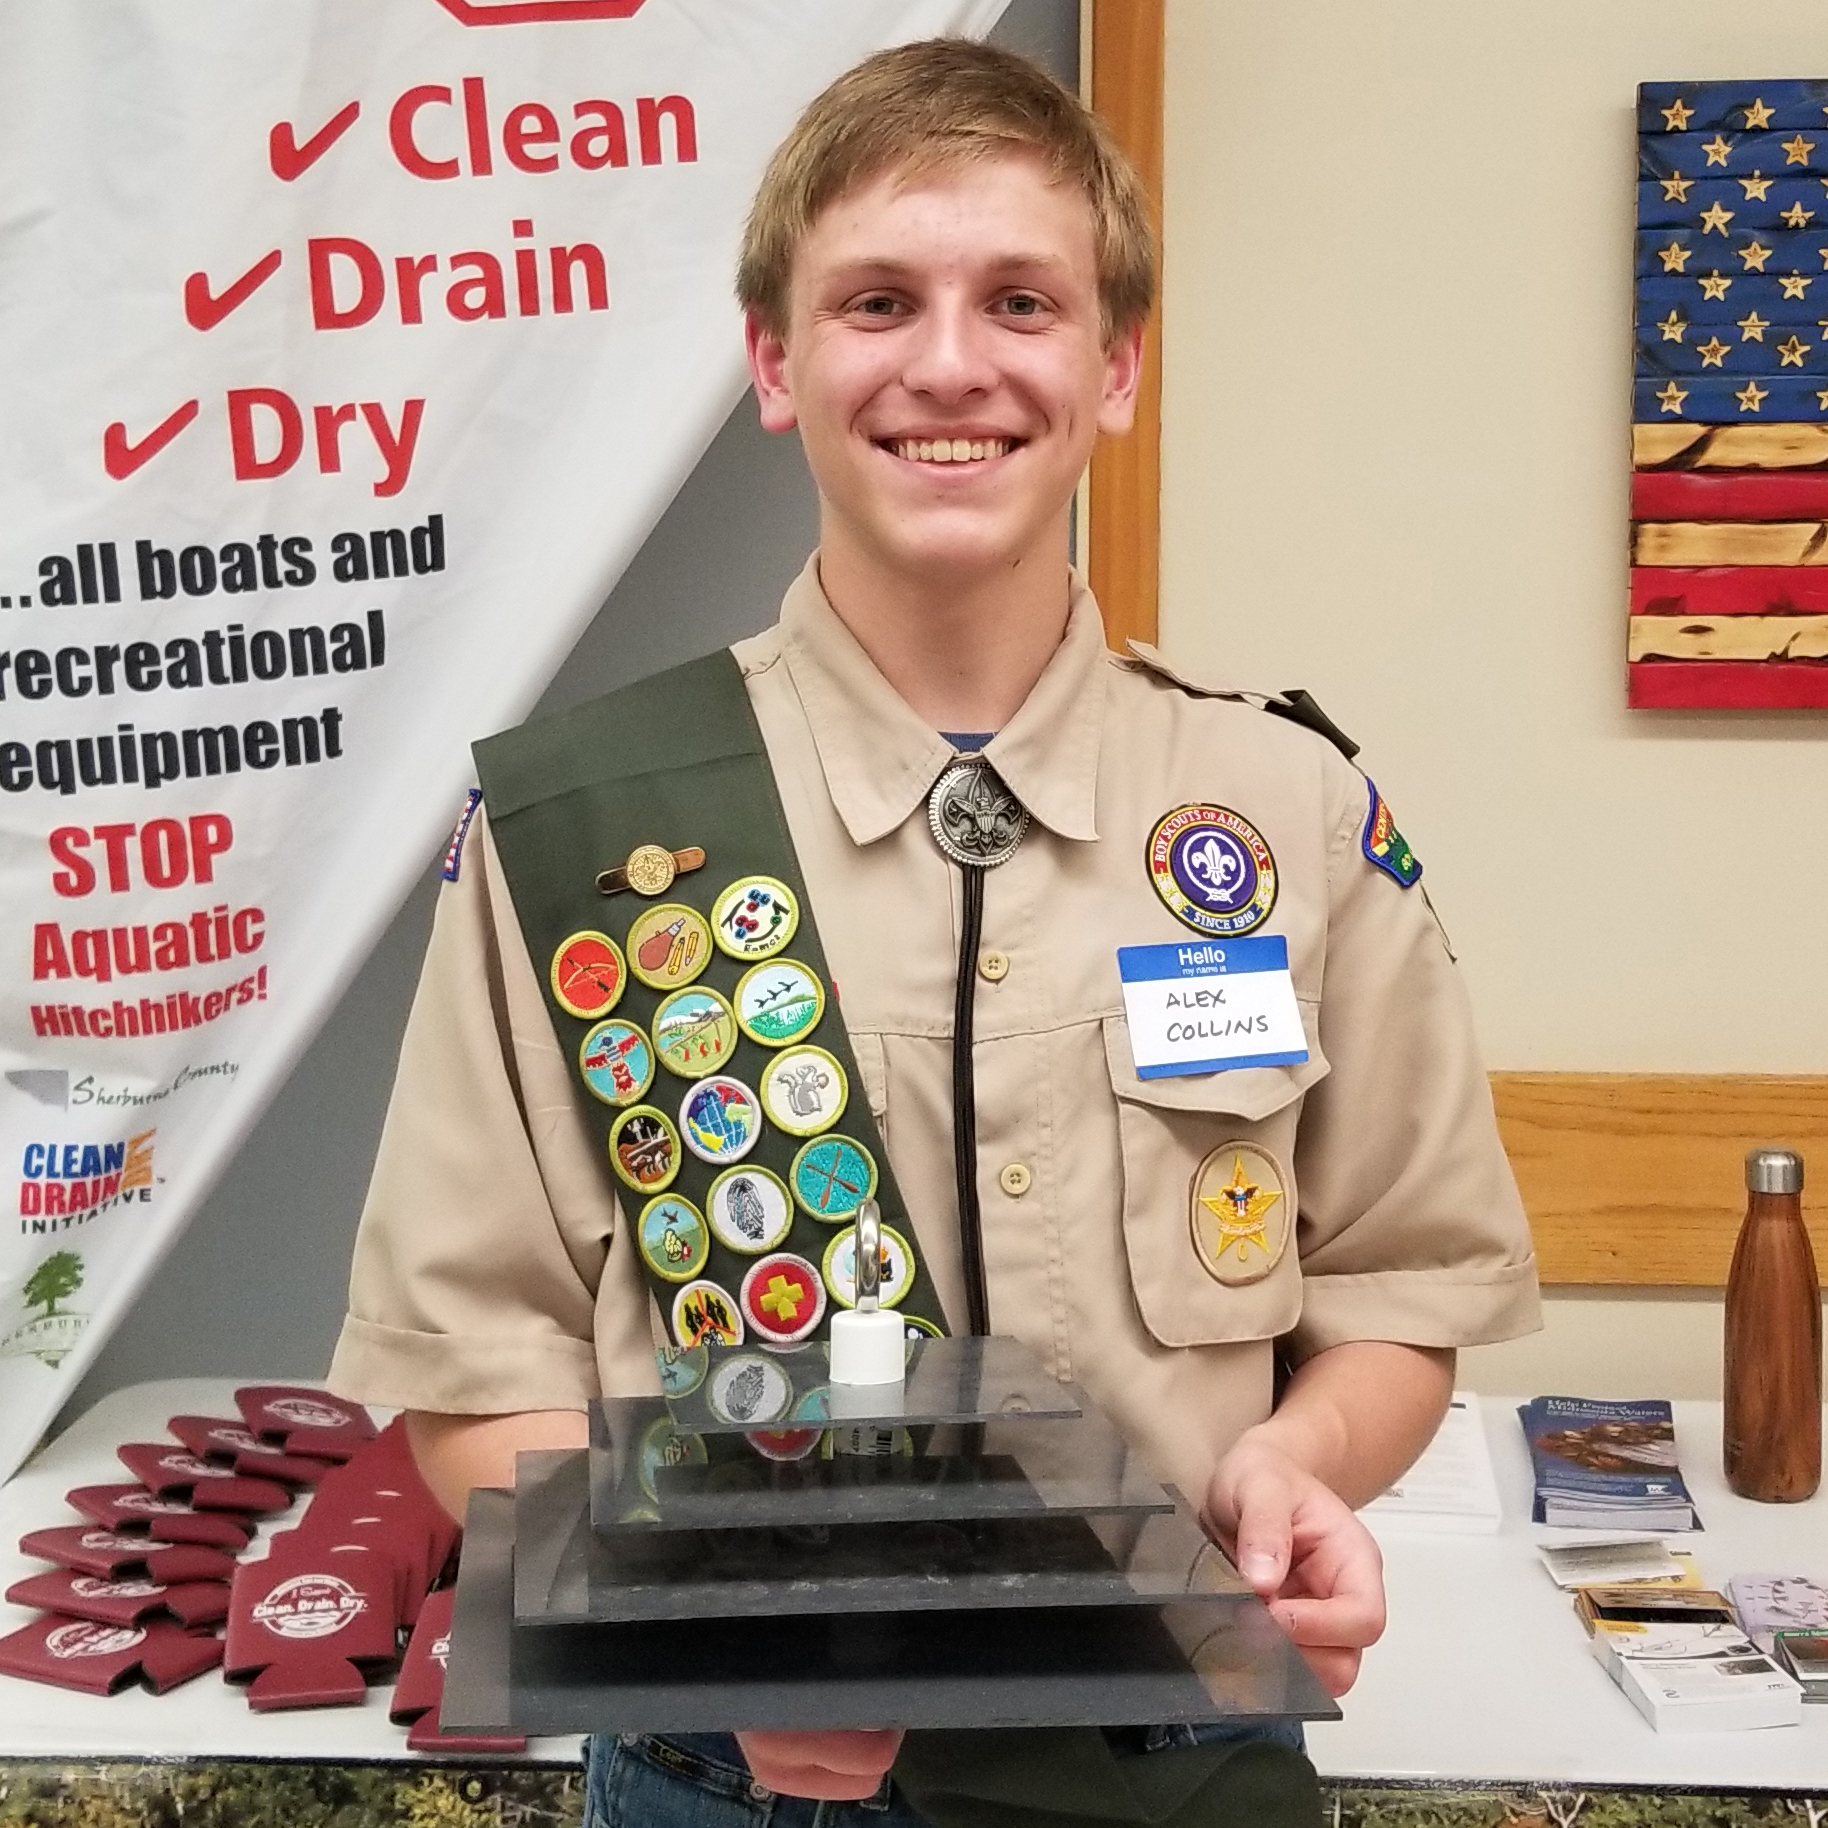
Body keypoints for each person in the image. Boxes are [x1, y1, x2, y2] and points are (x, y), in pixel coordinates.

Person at [329, 37, 1541, 1827]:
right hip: (734, 1784)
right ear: (774, 360)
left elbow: (1392, 1292)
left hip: (1187, 1761)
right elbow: (469, 1377)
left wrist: (1300, 1461)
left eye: (1025, 302)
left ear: (1116, 364)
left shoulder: (1284, 816)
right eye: (878, 301)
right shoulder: (572, 838)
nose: (951, 364)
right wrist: (718, 1643)